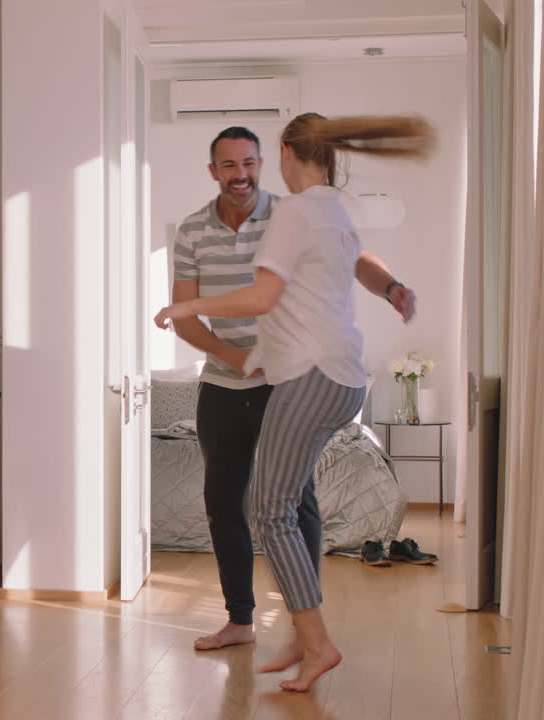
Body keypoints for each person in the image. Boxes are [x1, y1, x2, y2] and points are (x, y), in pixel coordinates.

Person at [158, 113, 435, 691]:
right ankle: (251, 622)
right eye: (229, 165)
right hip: (239, 377)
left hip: (291, 376)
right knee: (231, 500)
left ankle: (306, 626)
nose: (241, 174)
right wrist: (232, 356)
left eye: (250, 162)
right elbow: (197, 313)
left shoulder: (291, 212)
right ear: (213, 171)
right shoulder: (195, 231)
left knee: (283, 503)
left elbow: (323, 271)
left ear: (273, 157)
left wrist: (390, 286)